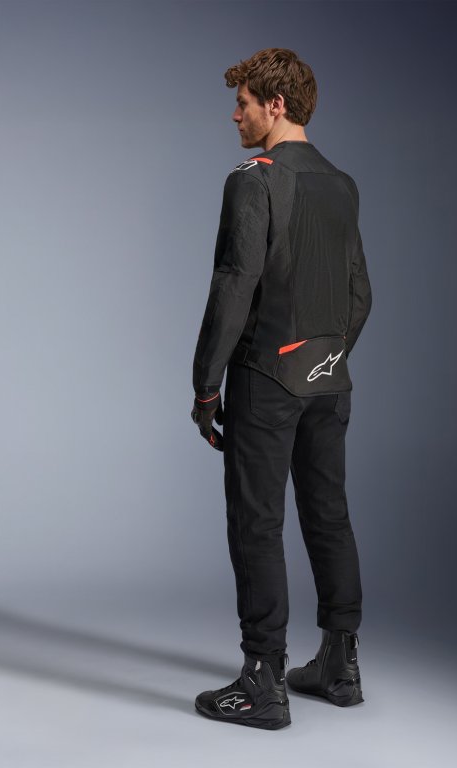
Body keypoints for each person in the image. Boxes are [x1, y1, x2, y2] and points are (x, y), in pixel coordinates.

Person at [189, 48, 372, 730]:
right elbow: (361, 293)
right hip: (329, 379)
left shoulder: (254, 179)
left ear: (276, 105)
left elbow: (233, 286)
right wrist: (326, 358)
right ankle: (340, 667)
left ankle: (263, 681)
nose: (234, 116)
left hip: (266, 378)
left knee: (257, 521)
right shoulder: (342, 183)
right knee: (329, 514)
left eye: (242, 103)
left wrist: (206, 387)